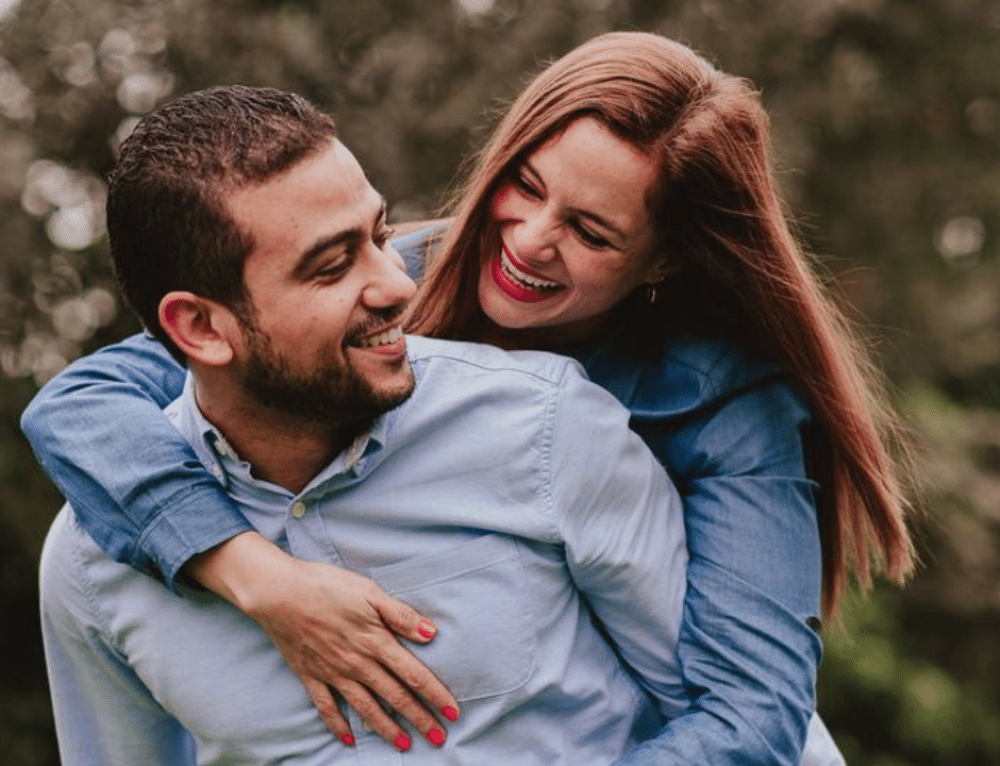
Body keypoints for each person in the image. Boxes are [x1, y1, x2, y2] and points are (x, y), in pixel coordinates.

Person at [22, 32, 916, 766]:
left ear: (665, 260)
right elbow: (85, 402)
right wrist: (256, 574)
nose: (527, 241)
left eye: (592, 231)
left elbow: (750, 721)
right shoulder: (400, 275)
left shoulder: (715, 405)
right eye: (524, 187)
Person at [38, 85, 692, 766]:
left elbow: (737, 720)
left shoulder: (546, 425)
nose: (398, 285)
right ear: (200, 328)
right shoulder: (89, 568)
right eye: (331, 267)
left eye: (379, 235)